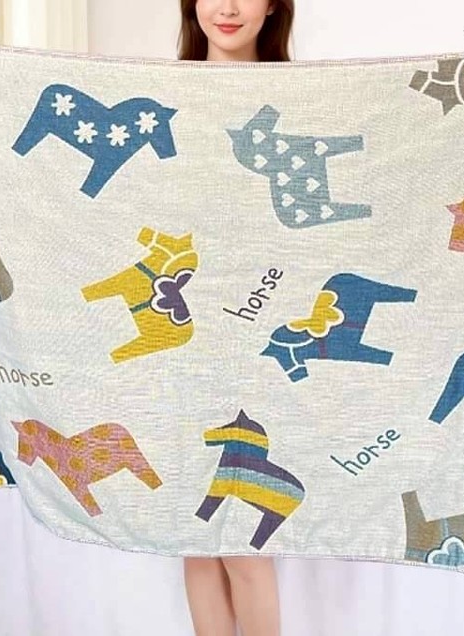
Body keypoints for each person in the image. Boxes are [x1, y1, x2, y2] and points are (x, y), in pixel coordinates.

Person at [177, 2, 295, 634]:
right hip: (183, 341)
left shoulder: (301, 97)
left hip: (260, 334)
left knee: (245, 543)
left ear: (273, 4)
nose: (227, 8)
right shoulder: (164, 97)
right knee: (192, 539)